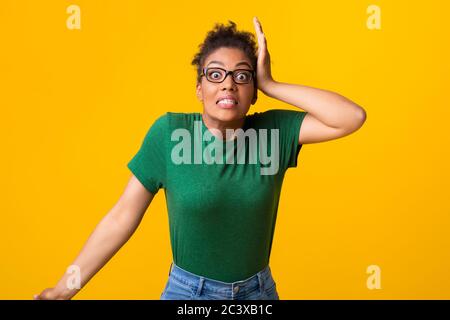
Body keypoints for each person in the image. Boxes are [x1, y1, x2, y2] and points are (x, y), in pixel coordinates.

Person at [34, 17, 366, 300]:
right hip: (189, 293)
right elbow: (122, 217)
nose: (229, 85)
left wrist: (272, 83)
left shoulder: (274, 131)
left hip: (258, 292)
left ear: (252, 94)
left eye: (242, 76)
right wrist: (66, 287)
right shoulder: (169, 133)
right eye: (216, 74)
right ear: (199, 88)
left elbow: (351, 117)